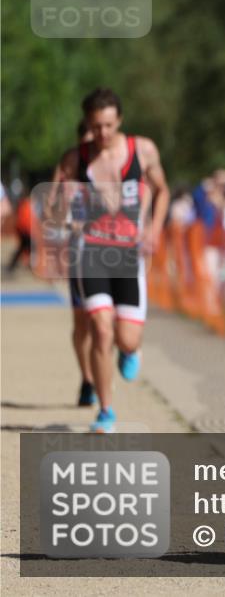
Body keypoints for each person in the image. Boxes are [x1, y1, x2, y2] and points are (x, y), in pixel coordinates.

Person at [55, 88, 170, 433]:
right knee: (100, 330)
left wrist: (154, 229)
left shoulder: (143, 150)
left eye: (107, 125)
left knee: (126, 338)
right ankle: (105, 411)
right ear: (88, 124)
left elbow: (162, 190)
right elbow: (54, 204)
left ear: (119, 120)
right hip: (90, 252)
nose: (102, 134)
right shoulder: (77, 158)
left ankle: (130, 351)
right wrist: (67, 213)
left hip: (128, 254)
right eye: (95, 126)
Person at [46, 120, 98, 406]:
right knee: (82, 325)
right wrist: (65, 217)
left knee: (102, 321)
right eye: (88, 143)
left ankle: (102, 370)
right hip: (79, 254)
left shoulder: (113, 167)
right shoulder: (67, 166)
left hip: (109, 253)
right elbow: (50, 206)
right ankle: (87, 378)